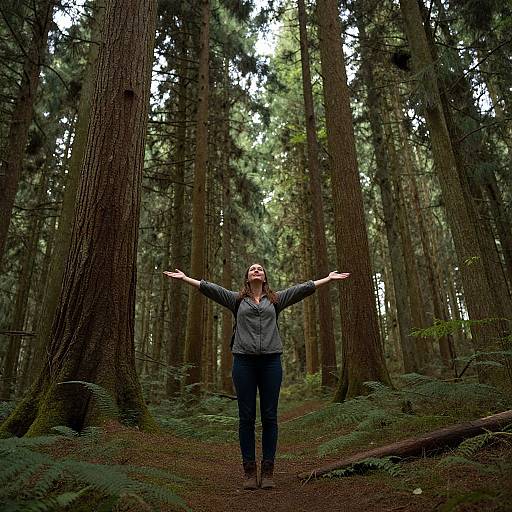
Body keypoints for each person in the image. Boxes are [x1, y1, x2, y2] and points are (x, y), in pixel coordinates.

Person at [163, 263, 350, 490]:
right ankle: (249, 472)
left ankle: (268, 470)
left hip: (271, 362)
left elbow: (302, 289)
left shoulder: (276, 299)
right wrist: (185, 278)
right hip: (243, 362)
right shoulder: (236, 300)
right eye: (252, 268)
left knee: (270, 417)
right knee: (246, 418)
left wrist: (328, 279)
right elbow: (211, 288)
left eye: (260, 268)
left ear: (265, 276)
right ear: (247, 277)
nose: (256, 270)